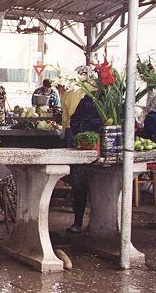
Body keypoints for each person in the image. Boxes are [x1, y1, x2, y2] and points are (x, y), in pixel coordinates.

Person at [66, 93, 103, 234]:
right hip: (85, 148)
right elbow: (75, 120)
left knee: (105, 186)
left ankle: (101, 225)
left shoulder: (118, 101)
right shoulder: (89, 100)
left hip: (109, 148)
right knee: (80, 185)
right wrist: (88, 135)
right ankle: (78, 222)